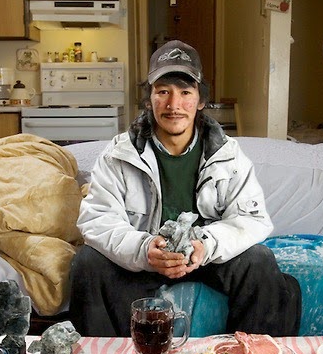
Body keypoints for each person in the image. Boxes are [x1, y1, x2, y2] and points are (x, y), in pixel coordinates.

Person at [68, 40, 301, 337]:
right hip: (146, 259)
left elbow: (253, 221)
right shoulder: (119, 154)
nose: (173, 105)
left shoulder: (227, 154)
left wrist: (206, 245)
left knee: (260, 260)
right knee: (87, 262)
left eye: (185, 93)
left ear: (200, 100)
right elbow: (96, 220)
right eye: (163, 91)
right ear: (150, 98)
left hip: (204, 257)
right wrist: (143, 249)